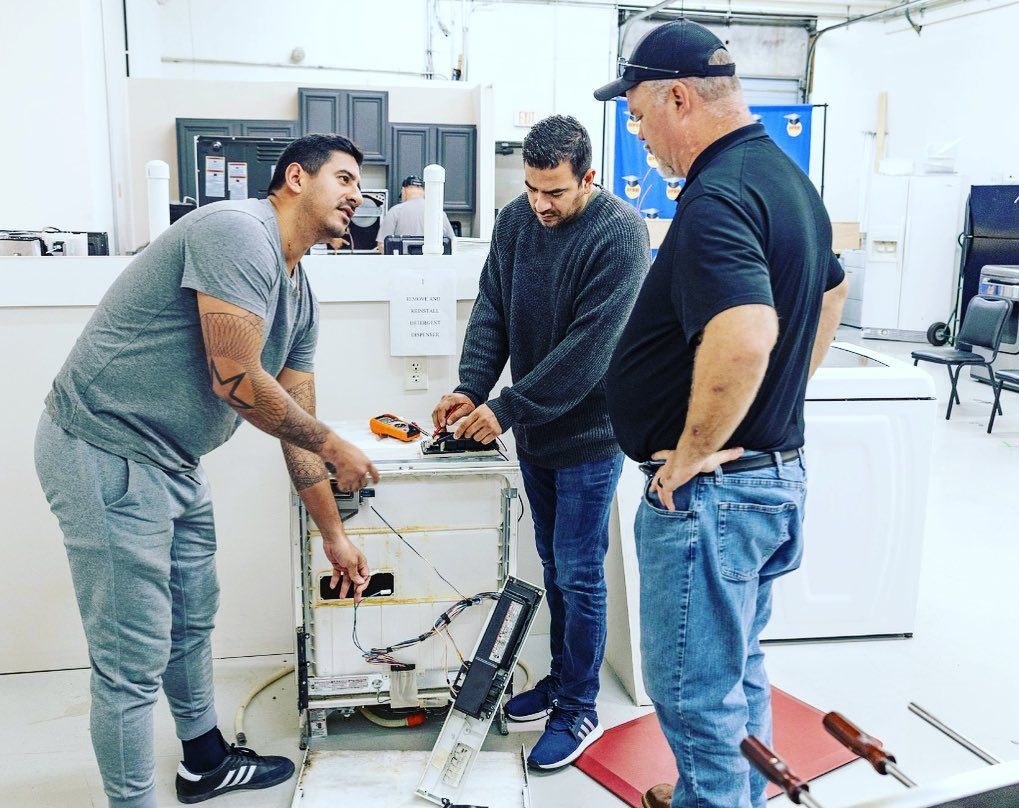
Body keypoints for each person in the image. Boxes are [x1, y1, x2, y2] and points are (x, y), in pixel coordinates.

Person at [34, 134, 381, 808]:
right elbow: (235, 379)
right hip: (103, 446)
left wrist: (334, 535)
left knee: (192, 620)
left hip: (173, 458)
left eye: (359, 186)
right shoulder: (237, 233)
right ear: (294, 178)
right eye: (343, 178)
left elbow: (297, 429)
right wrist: (336, 444)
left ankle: (204, 763)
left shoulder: (300, 293)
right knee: (131, 661)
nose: (356, 196)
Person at [594, 21, 848, 808]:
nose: (638, 133)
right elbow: (832, 289)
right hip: (765, 483)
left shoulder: (717, 196)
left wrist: (690, 452)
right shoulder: (782, 177)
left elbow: (743, 333)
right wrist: (777, 397)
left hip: (714, 497)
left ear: (677, 97)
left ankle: (715, 801)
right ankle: (729, 794)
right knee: (734, 669)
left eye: (637, 114)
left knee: (693, 692)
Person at [431, 114, 649, 770]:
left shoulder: (620, 233)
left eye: (554, 191)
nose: (539, 204)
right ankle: (561, 680)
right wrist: (471, 387)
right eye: (530, 188)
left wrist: (504, 408)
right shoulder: (515, 222)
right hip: (536, 432)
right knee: (553, 566)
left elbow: (590, 349)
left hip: (591, 435)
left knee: (579, 572)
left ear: (588, 177)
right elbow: (492, 308)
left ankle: (579, 707)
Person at [375, 175, 455, 251]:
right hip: (432, 259)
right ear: (424, 191)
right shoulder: (438, 212)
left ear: (403, 191)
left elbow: (382, 245)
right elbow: (453, 243)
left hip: (403, 260)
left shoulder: (395, 211)